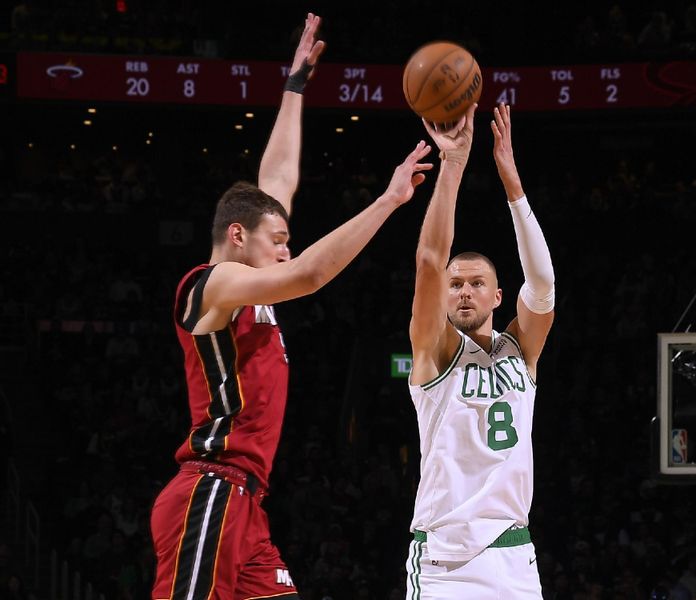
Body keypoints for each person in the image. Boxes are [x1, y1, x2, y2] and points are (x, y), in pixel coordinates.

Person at [150, 13, 433, 600]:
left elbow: (276, 179)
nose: (287, 248)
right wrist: (387, 201)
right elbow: (309, 275)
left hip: (248, 504)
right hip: (210, 488)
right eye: (275, 241)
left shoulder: (251, 266)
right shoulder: (213, 285)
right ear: (235, 237)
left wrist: (295, 86)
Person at [404, 102, 555, 599]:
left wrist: (513, 185)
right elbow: (430, 261)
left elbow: (543, 285)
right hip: (445, 558)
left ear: (497, 296)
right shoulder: (435, 352)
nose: (463, 291)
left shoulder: (521, 350)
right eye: (455, 285)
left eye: (476, 283)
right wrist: (453, 165)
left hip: (514, 555)